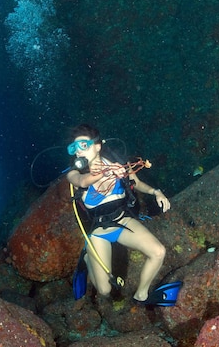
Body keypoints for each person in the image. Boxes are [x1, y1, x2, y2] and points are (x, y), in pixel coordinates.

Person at [66, 123, 171, 304]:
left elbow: (136, 183)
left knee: (158, 252)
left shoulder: (118, 162)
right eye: (74, 147)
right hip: (99, 232)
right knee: (105, 290)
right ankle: (87, 259)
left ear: (97, 146)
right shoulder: (74, 173)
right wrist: (104, 173)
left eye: (83, 145)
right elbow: (83, 181)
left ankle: (141, 295)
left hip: (123, 221)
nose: (78, 151)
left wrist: (156, 192)